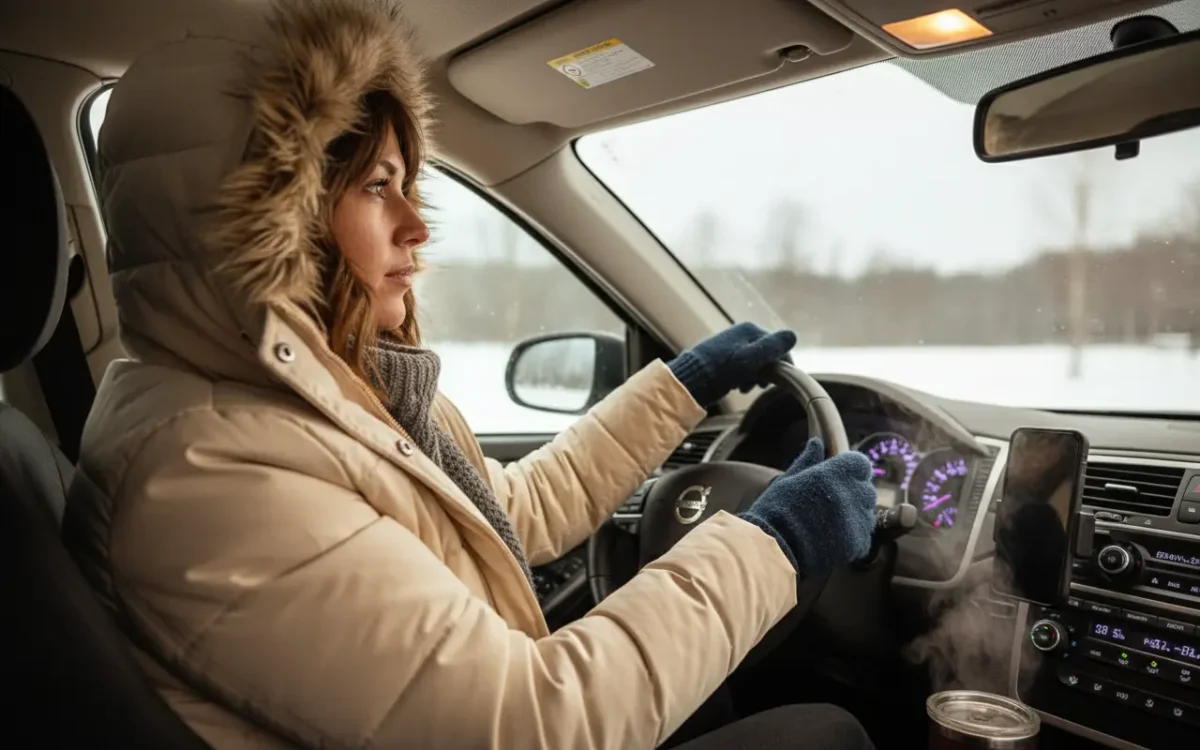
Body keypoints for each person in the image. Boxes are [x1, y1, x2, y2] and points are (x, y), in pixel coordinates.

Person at [63, 1, 878, 748]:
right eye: (377, 187)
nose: (417, 225)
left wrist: (681, 386)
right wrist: (774, 545)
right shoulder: (210, 480)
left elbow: (504, 514)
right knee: (826, 734)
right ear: (274, 222)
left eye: (407, 184)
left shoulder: (315, 398)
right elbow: (530, 723)